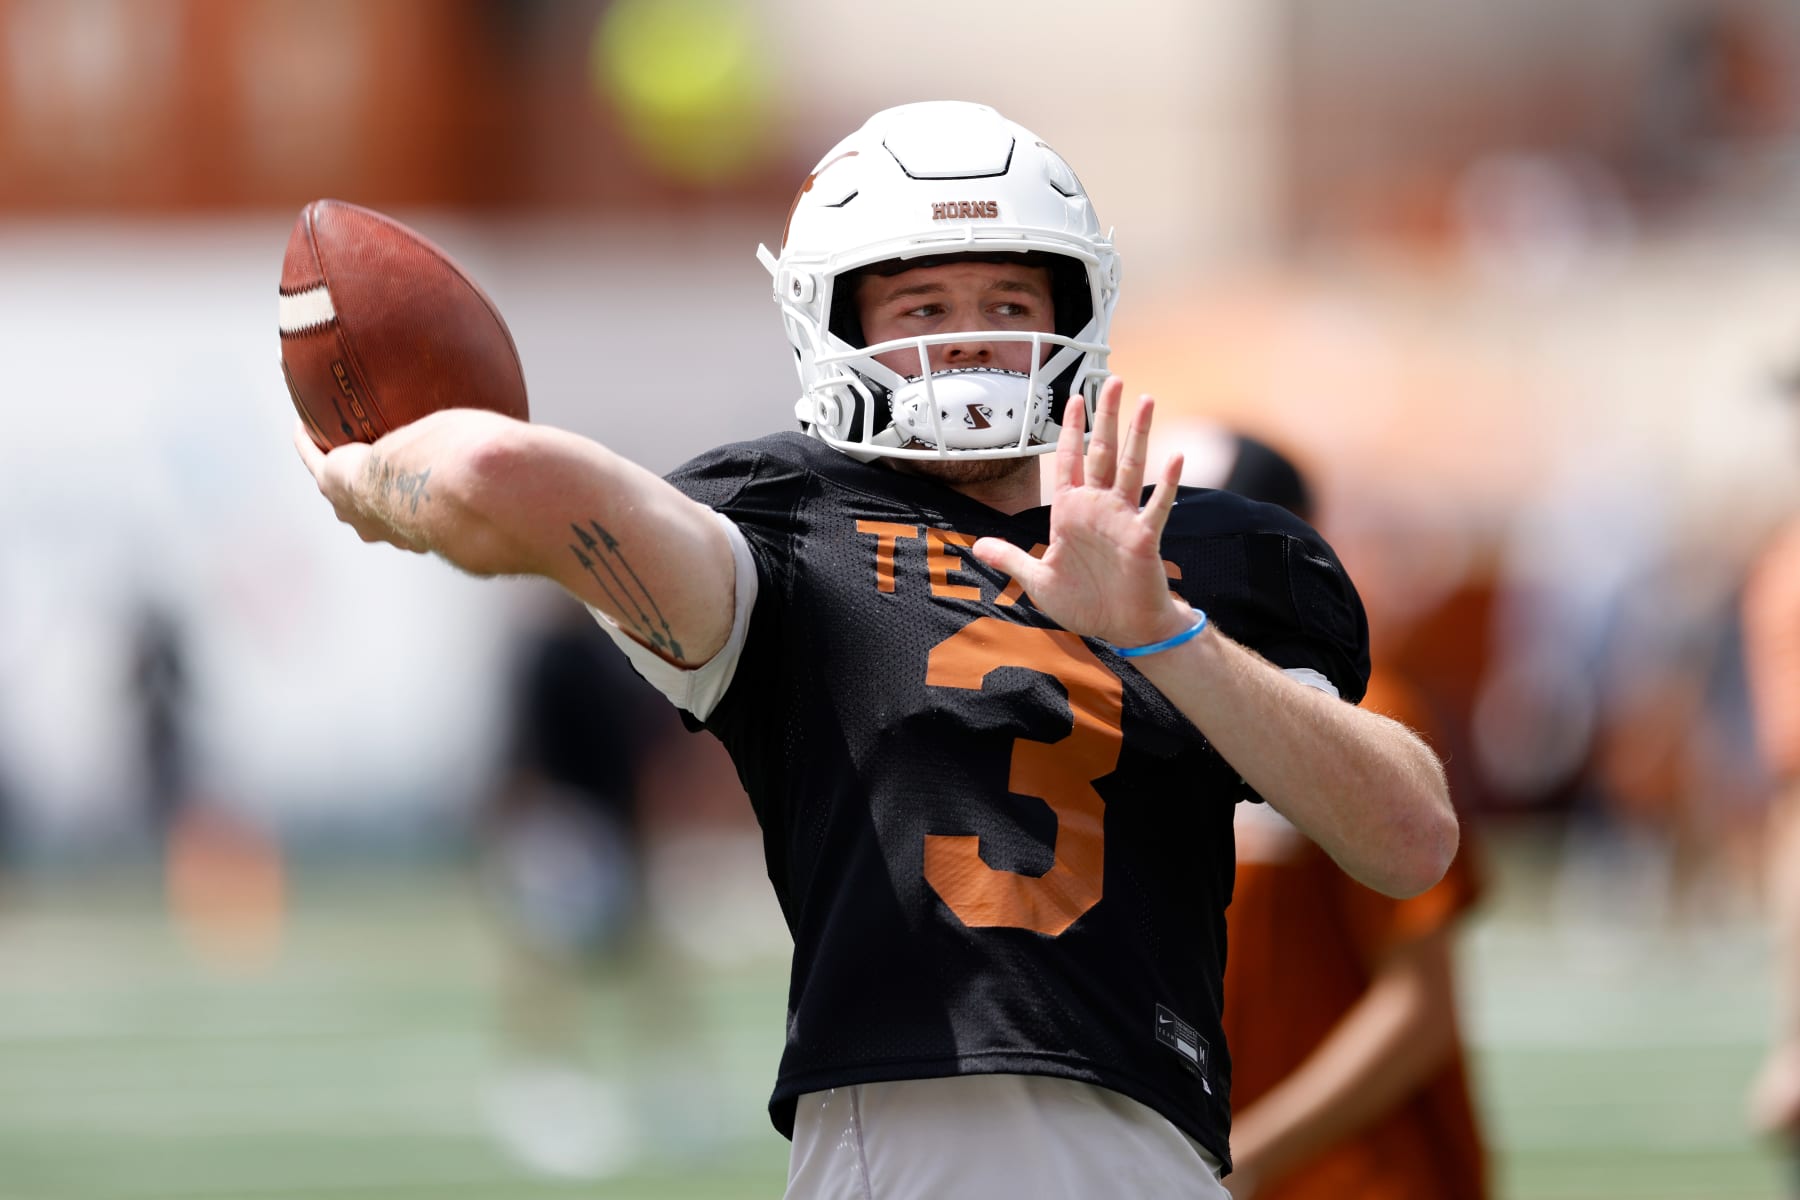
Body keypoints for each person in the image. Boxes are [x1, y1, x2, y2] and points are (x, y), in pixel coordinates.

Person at [294, 101, 1457, 1198]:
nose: (971, 346)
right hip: (910, 1156)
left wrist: (1161, 631)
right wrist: (378, 479)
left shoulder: (1194, 547)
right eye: (922, 310)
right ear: (834, 322)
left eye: (1010, 303)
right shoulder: (787, 528)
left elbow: (1412, 841)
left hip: (1157, 1154)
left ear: (1077, 312)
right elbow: (505, 477)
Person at [1165, 426, 1490, 1199]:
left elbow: (1419, 1004)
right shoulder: (1127, 717)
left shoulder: (1368, 720)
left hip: (1352, 1176)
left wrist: (1246, 1157)